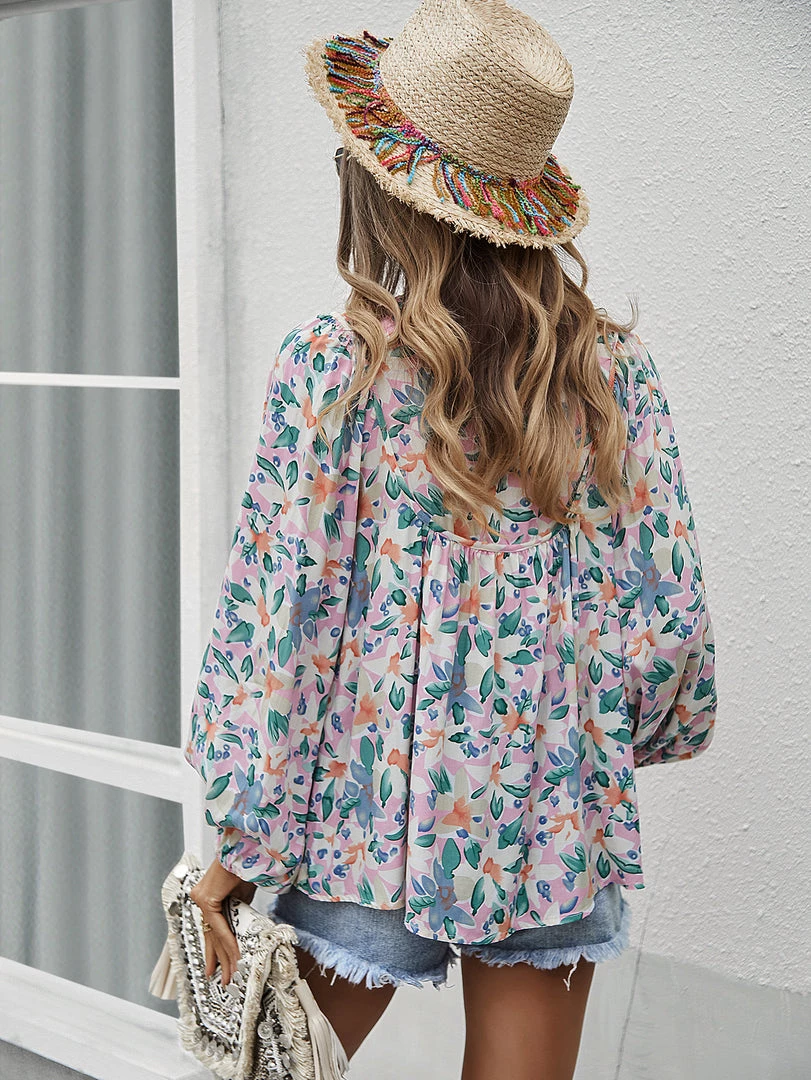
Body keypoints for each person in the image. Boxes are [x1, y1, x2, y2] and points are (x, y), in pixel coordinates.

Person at [183, 2, 718, 1078]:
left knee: (276, 1069)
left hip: (363, 813)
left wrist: (239, 845)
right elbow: (668, 633)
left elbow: (280, 635)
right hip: (550, 817)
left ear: (382, 186)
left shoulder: (333, 372)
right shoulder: (611, 377)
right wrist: (590, 746)